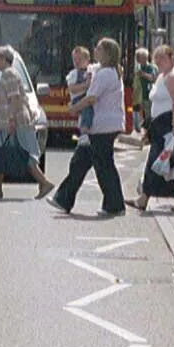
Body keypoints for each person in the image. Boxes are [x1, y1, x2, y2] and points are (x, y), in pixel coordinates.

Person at [51, 37, 127, 217]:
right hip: (101, 126)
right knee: (81, 162)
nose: (95, 51)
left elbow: (92, 97)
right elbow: (86, 69)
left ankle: (115, 205)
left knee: (103, 166)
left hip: (104, 126)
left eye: (99, 49)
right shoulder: (103, 70)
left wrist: (74, 108)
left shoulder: (107, 73)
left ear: (107, 53)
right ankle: (63, 199)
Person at [0, 47, 55, 200]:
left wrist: (12, 120)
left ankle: (44, 182)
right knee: (1, 152)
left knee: (22, 154)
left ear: (2, 58)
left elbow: (14, 98)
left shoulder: (9, 74)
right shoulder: (9, 74)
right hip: (7, 123)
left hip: (14, 122)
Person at [131, 45, 174, 213]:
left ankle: (146, 198)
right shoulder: (163, 75)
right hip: (161, 125)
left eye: (162, 58)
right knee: (163, 161)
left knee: (170, 160)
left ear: (172, 58)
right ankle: (146, 197)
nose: (158, 61)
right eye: (156, 57)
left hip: (172, 126)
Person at [66, 45, 95, 145]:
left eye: (79, 59)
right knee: (87, 108)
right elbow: (72, 89)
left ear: (87, 60)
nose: (76, 62)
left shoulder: (91, 70)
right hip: (77, 98)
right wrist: (85, 85)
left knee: (90, 110)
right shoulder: (73, 74)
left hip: (88, 96)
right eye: (74, 60)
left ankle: (88, 130)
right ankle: (84, 132)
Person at [132, 47, 156, 139]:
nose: (137, 59)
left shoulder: (150, 67)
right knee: (139, 113)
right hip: (138, 96)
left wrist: (143, 74)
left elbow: (152, 78)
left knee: (148, 115)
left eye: (139, 57)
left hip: (147, 95)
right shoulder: (136, 67)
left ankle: (148, 134)